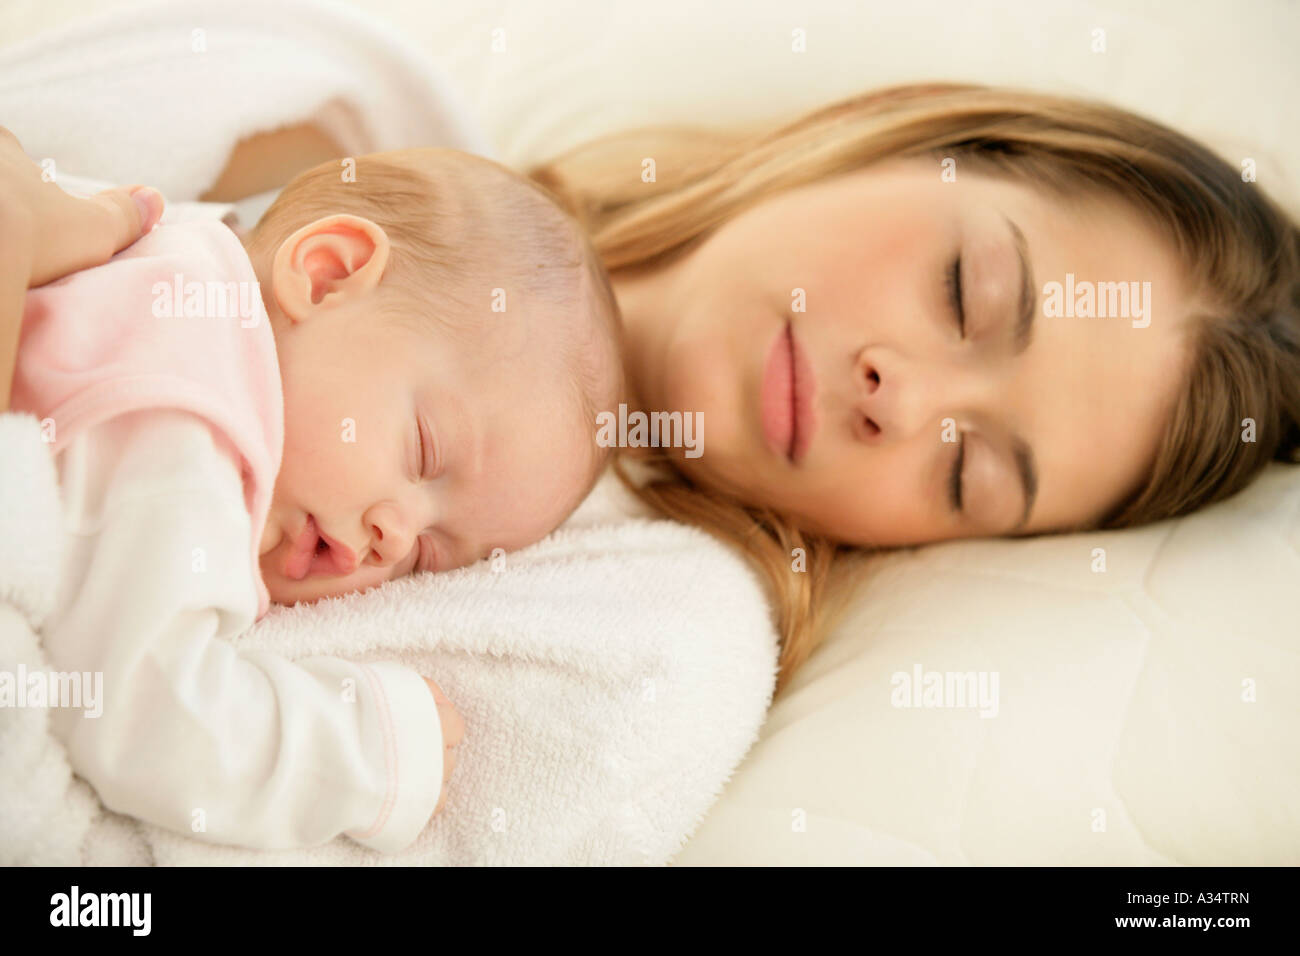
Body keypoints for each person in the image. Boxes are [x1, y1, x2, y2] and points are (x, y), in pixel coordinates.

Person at [3, 144, 623, 852]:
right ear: (327, 275)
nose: (394, 536)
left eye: (426, 556)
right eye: (423, 451)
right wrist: (369, 752)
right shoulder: (188, 414)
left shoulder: (166, 261)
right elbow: (140, 717)